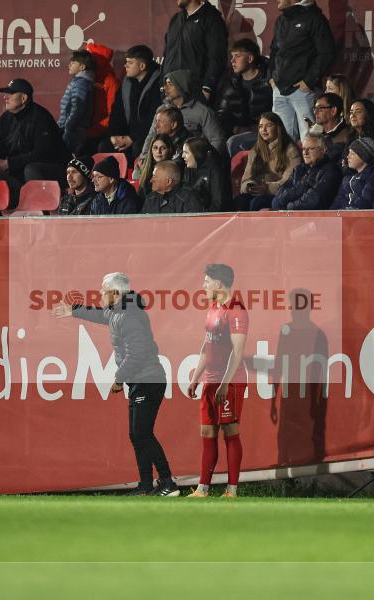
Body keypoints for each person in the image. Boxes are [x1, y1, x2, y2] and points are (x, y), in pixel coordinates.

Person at [52, 272, 179, 497]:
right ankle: (146, 486)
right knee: (138, 435)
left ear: (115, 293)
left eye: (103, 290)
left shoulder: (128, 315)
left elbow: (137, 353)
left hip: (147, 380)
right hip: (140, 381)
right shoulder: (119, 311)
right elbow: (102, 315)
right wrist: (74, 311)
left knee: (142, 434)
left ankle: (168, 483)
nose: (100, 293)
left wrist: (119, 379)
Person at [187, 263, 249, 498]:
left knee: (230, 433)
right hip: (209, 381)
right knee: (207, 433)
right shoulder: (213, 307)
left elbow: (237, 351)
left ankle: (231, 490)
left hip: (229, 383)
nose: (203, 286)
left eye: (206, 281)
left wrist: (225, 383)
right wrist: (196, 378)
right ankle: (203, 489)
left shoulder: (236, 310)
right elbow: (207, 345)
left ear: (219, 283)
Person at [0, 78, 68, 209]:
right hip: (19, 169)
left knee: (31, 169)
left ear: (23, 98)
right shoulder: (5, 119)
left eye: (11, 94)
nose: (6, 97)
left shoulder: (41, 117)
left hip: (52, 170)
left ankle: (41, 209)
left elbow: (42, 154)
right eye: (6, 93)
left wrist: (9, 163)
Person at [268, 0, 336, 141]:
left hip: (303, 92)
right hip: (279, 90)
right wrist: (271, 77)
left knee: (310, 139)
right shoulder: (281, 20)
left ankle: (312, 164)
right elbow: (274, 51)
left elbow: (326, 52)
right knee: (280, 141)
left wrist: (309, 81)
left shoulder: (315, 18)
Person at [141, 70, 226, 157]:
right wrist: (144, 157)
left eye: (170, 84)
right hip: (161, 159)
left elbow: (217, 140)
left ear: (182, 86)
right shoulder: (162, 109)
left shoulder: (203, 112)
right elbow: (151, 135)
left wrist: (204, 160)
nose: (165, 88)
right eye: (165, 84)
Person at [162, 0, 228, 102]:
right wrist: (163, 82)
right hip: (171, 92)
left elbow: (217, 56)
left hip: (195, 92)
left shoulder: (211, 18)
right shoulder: (175, 19)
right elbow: (167, 54)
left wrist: (207, 87)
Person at [217, 38, 272, 157]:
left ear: (250, 58)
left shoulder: (269, 80)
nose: (232, 61)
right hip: (238, 132)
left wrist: (256, 128)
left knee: (234, 143)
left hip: (265, 132)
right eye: (232, 56)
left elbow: (276, 113)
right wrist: (234, 128)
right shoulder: (230, 81)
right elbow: (222, 114)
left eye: (237, 56)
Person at [106, 45, 162, 162]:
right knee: (104, 146)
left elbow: (154, 118)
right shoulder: (127, 83)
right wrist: (114, 136)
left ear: (142, 66)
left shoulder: (158, 83)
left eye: (130, 63)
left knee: (138, 147)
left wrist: (132, 138)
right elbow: (117, 111)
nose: (125, 66)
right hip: (128, 136)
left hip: (147, 136)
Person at [236, 112, 301, 210]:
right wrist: (250, 186)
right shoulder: (255, 150)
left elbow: (290, 180)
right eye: (261, 127)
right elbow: (247, 177)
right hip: (258, 191)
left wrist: (267, 188)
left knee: (257, 203)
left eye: (268, 126)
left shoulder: (290, 150)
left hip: (278, 194)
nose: (264, 130)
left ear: (278, 128)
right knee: (240, 200)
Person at [272, 127, 342, 210]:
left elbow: (312, 202)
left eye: (311, 149)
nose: (305, 153)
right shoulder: (299, 169)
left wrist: (288, 206)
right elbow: (279, 193)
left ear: (323, 150)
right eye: (304, 149)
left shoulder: (331, 170)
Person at [58, 50, 96, 154]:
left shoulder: (81, 83)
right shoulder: (78, 81)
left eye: (73, 62)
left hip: (74, 131)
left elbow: (77, 108)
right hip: (72, 129)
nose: (69, 65)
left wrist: (68, 127)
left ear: (82, 67)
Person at [84, 42, 119, 153]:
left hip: (100, 134)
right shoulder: (85, 79)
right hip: (87, 131)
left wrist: (91, 132)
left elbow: (112, 115)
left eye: (88, 57)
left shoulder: (111, 82)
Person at [330, 137, 374, 209]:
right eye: (349, 153)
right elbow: (337, 202)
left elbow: (365, 202)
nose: (348, 156)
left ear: (363, 156)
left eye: (352, 153)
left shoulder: (372, 176)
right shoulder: (347, 178)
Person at [182, 137, 230, 211]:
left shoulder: (215, 171)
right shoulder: (188, 170)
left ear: (197, 153)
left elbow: (219, 205)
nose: (182, 156)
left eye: (186, 153)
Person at [312, 92, 352, 161]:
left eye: (320, 108)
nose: (315, 112)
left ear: (333, 111)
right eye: (315, 108)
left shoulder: (347, 135)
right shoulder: (314, 133)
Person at [137, 134, 176, 198]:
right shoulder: (146, 169)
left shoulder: (174, 170)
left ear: (170, 150)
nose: (158, 151)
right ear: (151, 150)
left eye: (163, 148)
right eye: (155, 148)